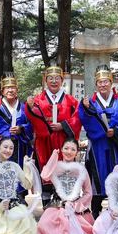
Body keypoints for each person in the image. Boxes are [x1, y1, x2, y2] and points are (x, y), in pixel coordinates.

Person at [78, 68, 118, 214]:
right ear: (96, 84)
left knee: (117, 178)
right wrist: (87, 110)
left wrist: (116, 131)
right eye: (100, 82)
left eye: (106, 82)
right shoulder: (90, 103)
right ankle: (96, 213)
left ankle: (117, 212)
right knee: (97, 178)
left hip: (116, 146)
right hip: (98, 146)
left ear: (111, 83)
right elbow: (85, 120)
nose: (103, 85)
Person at [33, 140, 100, 234]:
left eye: (73, 149)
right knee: (44, 224)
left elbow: (88, 192)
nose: (69, 152)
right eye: (66, 148)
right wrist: (54, 156)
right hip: (57, 206)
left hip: (75, 207)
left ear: (77, 152)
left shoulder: (81, 170)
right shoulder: (55, 167)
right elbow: (44, 176)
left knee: (80, 229)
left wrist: (76, 205)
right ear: (61, 150)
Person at [25, 65, 82, 198]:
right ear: (45, 80)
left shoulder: (71, 101)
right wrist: (30, 107)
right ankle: (46, 203)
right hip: (44, 141)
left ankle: (63, 202)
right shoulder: (37, 100)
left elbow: (78, 119)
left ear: (62, 80)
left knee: (64, 173)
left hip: (63, 141)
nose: (54, 81)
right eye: (50, 78)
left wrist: (63, 125)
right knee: (45, 172)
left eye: (57, 78)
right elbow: (32, 119)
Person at [0, 73, 35, 172]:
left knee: (19, 175)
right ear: (2, 91)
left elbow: (31, 126)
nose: (10, 90)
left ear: (17, 90)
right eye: (7, 88)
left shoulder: (24, 107)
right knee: (0, 174)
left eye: (13, 87)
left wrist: (21, 129)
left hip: (19, 148)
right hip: (0, 146)